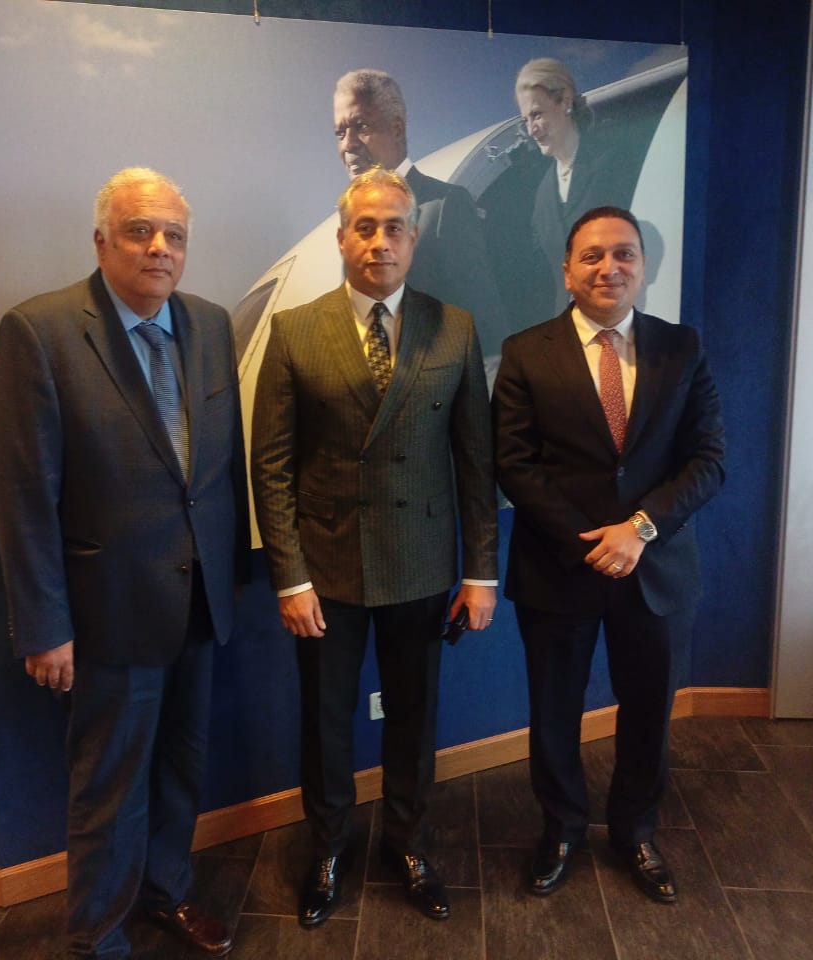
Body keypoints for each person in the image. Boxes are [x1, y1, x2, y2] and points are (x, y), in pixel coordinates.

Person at [0, 168, 249, 959]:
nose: (160, 247)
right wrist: (42, 625)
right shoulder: (40, 332)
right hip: (104, 614)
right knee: (108, 787)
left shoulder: (210, 324)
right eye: (140, 231)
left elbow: (219, 470)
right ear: (102, 241)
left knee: (182, 767)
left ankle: (167, 891)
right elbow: (21, 492)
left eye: (174, 235)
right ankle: (95, 937)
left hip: (198, 603)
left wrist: (233, 579)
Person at [250, 167, 498, 927]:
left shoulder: (454, 327)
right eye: (365, 227)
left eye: (394, 227)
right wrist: (289, 579)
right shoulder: (295, 330)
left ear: (414, 240)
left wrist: (481, 572)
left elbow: (476, 463)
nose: (380, 241)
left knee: (415, 718)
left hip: (421, 564)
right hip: (326, 573)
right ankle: (327, 848)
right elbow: (271, 465)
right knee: (326, 721)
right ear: (341, 238)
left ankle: (409, 843)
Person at [493, 207, 724, 905]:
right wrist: (592, 542)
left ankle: (636, 831)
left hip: (657, 569)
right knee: (554, 713)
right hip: (559, 567)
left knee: (649, 712)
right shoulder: (526, 351)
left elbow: (708, 460)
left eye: (624, 254)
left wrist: (640, 529)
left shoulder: (681, 347)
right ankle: (561, 830)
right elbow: (514, 463)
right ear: (567, 271)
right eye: (591, 256)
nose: (609, 268)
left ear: (642, 267)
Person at [332, 68, 510, 365]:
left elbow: (486, 333)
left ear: (397, 129)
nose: (348, 144)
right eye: (340, 133)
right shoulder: (350, 222)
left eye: (361, 126)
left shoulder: (445, 206)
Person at [512, 58, 639, 314]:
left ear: (565, 102)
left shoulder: (614, 164)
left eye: (537, 115)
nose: (532, 130)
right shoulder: (543, 193)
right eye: (525, 120)